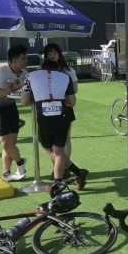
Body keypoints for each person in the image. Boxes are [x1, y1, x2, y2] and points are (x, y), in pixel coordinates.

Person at [21, 50, 76, 182]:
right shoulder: (65, 77)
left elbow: (24, 101)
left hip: (44, 120)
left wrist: (40, 98)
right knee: (59, 151)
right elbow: (72, 102)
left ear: (41, 69)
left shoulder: (30, 77)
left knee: (51, 149)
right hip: (62, 118)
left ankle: (65, 178)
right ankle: (61, 181)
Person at [43, 43, 88, 189]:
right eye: (49, 53)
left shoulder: (67, 70)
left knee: (65, 140)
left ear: (59, 54)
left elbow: (74, 89)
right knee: (51, 144)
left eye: (54, 52)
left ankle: (64, 169)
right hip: (47, 110)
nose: (52, 55)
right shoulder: (42, 71)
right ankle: (59, 167)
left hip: (65, 108)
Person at [0, 44, 29, 181]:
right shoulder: (2, 71)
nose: (26, 61)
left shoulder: (24, 73)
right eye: (23, 58)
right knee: (5, 144)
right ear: (14, 60)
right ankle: (20, 162)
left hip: (12, 106)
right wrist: (17, 87)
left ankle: (6, 173)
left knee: (12, 142)